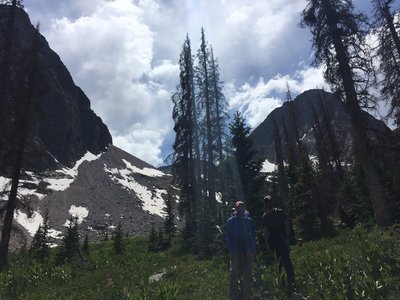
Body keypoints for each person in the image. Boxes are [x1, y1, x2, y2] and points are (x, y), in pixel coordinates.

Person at [262, 195, 296, 291]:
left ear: (272, 202)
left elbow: (286, 225)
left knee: (286, 261)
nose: (268, 204)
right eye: (266, 202)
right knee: (279, 262)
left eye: (269, 202)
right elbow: (266, 230)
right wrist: (267, 244)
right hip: (274, 241)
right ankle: (282, 283)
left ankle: (291, 282)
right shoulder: (265, 216)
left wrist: (287, 239)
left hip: (282, 239)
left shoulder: (280, 212)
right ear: (264, 204)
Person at [226, 201, 256, 300]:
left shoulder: (249, 221)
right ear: (235, 208)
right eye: (239, 207)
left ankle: (246, 297)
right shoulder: (230, 221)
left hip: (247, 250)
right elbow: (228, 237)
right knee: (234, 275)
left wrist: (252, 251)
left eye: (242, 207)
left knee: (247, 275)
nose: (240, 208)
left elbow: (252, 237)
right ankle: (233, 297)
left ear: (244, 208)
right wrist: (230, 251)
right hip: (235, 250)